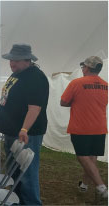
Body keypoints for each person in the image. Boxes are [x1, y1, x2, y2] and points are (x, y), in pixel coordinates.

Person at [0, 44, 49, 205]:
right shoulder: (18, 74)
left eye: (16, 60)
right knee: (14, 172)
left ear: (27, 60)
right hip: (12, 132)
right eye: (11, 60)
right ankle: (17, 201)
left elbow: (35, 108)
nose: (12, 63)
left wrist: (25, 129)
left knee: (27, 173)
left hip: (26, 134)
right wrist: (0, 123)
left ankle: (32, 202)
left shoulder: (35, 77)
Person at [60, 56, 108, 198]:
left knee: (83, 157)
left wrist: (75, 103)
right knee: (92, 158)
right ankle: (85, 185)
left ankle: (102, 187)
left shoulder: (77, 83)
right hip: (99, 127)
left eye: (83, 67)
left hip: (81, 126)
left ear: (86, 68)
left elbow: (63, 102)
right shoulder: (106, 85)